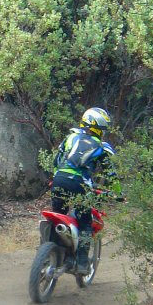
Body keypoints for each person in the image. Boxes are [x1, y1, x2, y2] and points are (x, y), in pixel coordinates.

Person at [50, 106, 119, 271]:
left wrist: (56, 177)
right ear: (97, 128)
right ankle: (81, 262)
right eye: (103, 129)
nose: (103, 133)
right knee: (85, 222)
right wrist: (117, 193)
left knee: (58, 216)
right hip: (80, 184)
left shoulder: (70, 137)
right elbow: (111, 174)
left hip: (59, 179)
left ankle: (52, 251)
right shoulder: (101, 146)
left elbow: (57, 161)